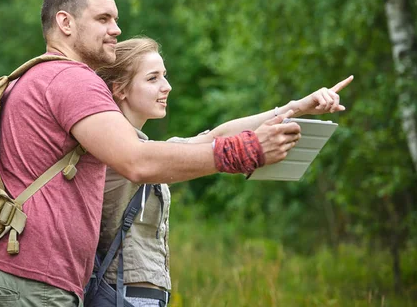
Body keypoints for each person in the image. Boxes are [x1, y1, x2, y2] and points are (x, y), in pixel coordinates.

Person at [0, 0, 305, 307]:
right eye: (103, 19)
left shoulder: (32, 77)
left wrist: (292, 110)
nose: (116, 29)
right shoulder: (72, 80)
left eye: (115, 19)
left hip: (22, 277)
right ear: (65, 23)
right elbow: (136, 161)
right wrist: (243, 151)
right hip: (32, 281)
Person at [94, 36, 353, 307]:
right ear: (120, 89)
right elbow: (146, 161)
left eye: (165, 76)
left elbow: (214, 137)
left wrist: (297, 107)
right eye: (152, 78)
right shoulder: (115, 154)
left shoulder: (144, 149)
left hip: (145, 295)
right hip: (120, 295)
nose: (167, 86)